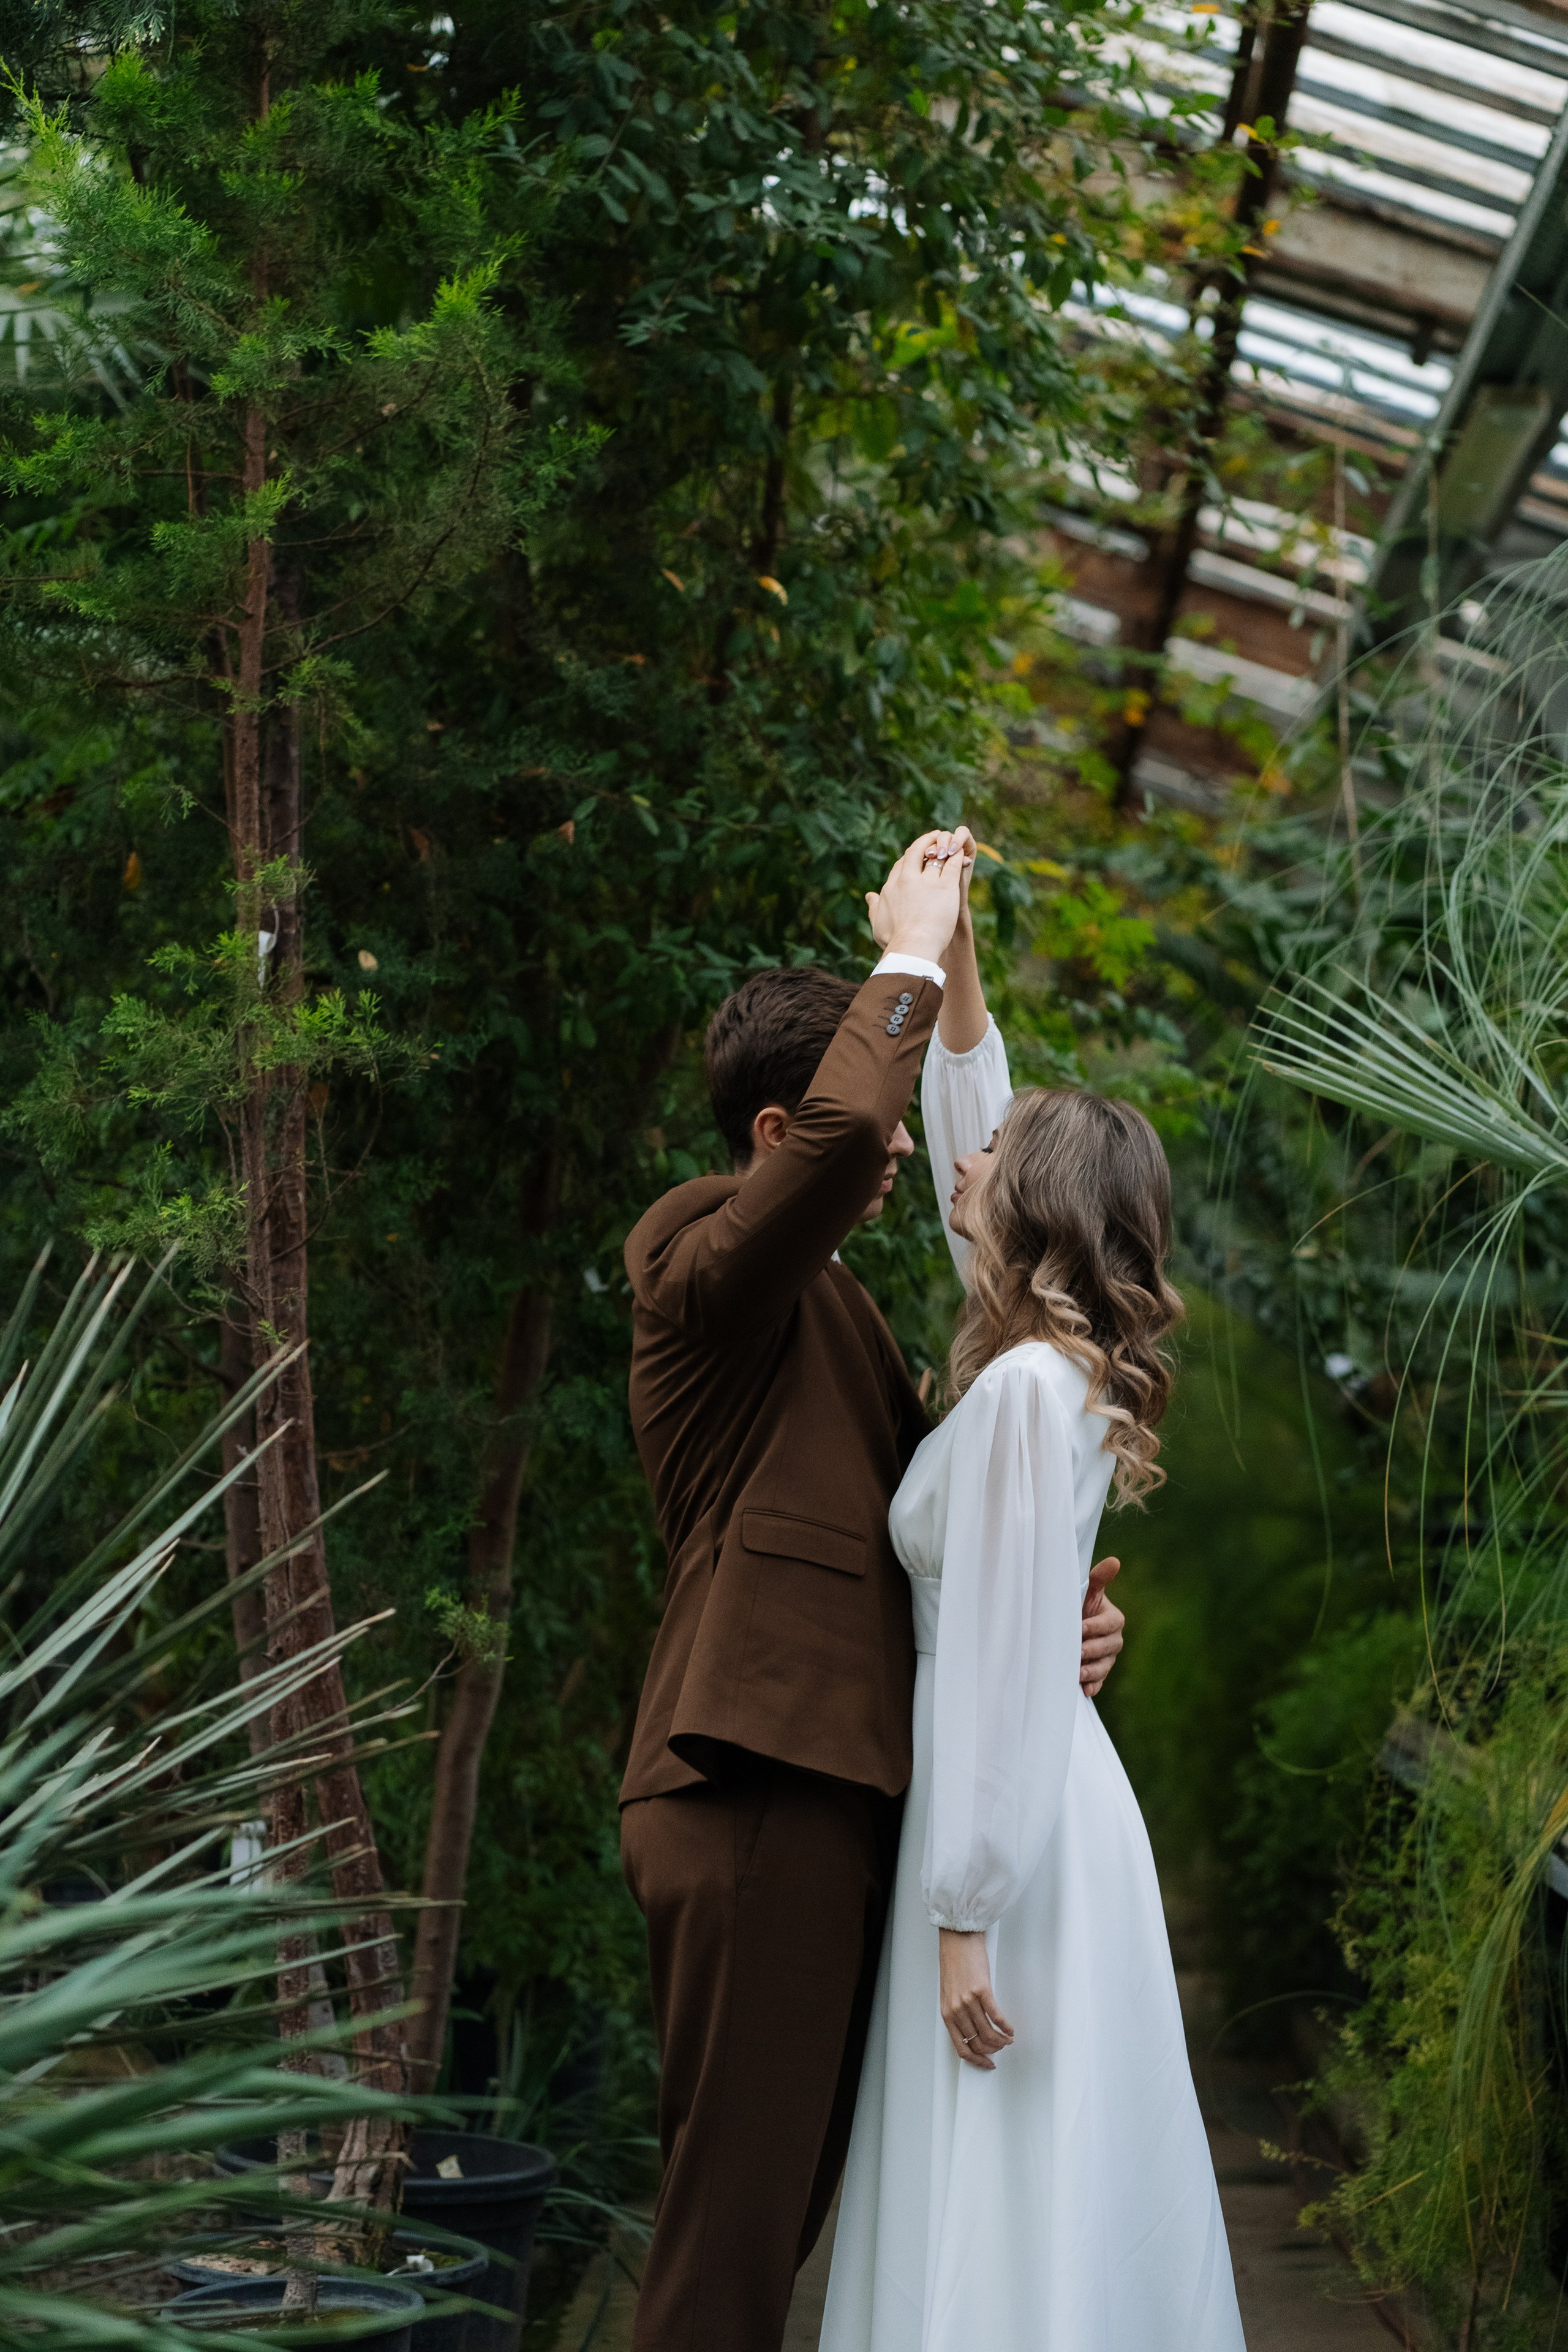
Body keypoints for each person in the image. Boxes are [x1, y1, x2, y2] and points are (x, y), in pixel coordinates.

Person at [617, 831, 1128, 2352]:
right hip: (753, 1781)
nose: (900, 1152)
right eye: (868, 1126)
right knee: (729, 2243)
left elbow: (952, 1538)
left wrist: (1056, 1626)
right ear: (779, 1128)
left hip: (830, 1800)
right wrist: (902, 952)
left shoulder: (830, 1310)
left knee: (769, 2226)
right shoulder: (692, 1255)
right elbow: (851, 1142)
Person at [820, 837, 1246, 2352]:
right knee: (1031, 2180)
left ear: (1038, 1202)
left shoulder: (1014, 1397)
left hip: (1004, 1828)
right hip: (1034, 1806)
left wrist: (960, 1911)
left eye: (993, 1159)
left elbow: (1005, 1656)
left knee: (997, 2174)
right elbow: (964, 1101)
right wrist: (951, 953)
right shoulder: (1043, 1373)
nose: (962, 1165)